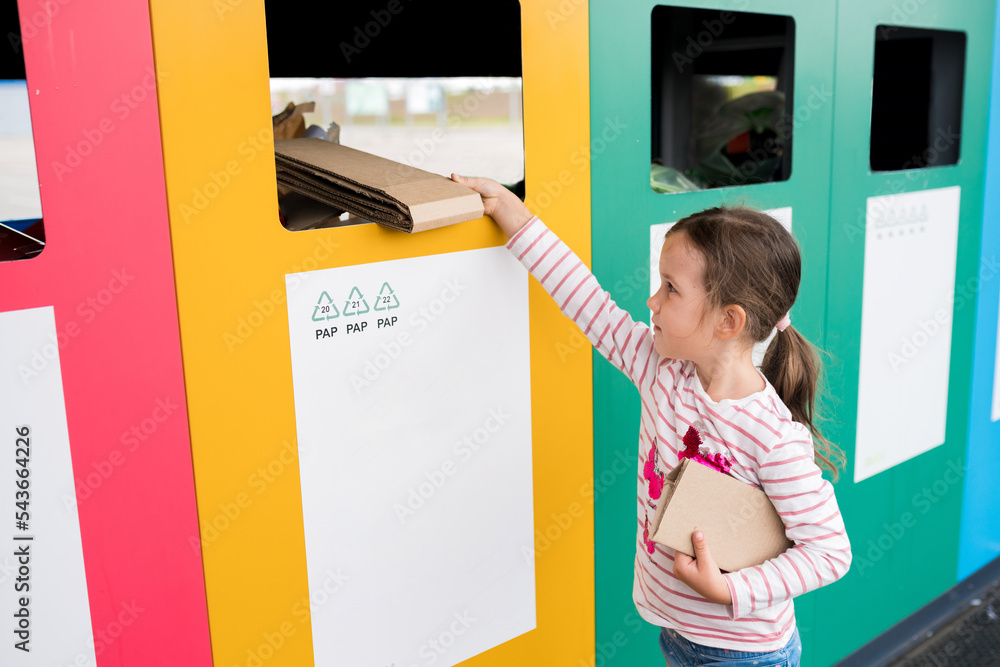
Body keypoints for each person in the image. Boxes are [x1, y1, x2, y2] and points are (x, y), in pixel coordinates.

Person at [451, 173, 852, 666]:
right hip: (678, 634)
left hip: (745, 654)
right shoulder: (661, 369)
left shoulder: (770, 436)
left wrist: (732, 590)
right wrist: (515, 217)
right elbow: (590, 305)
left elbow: (829, 552)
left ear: (729, 322)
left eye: (670, 289)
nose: (652, 301)